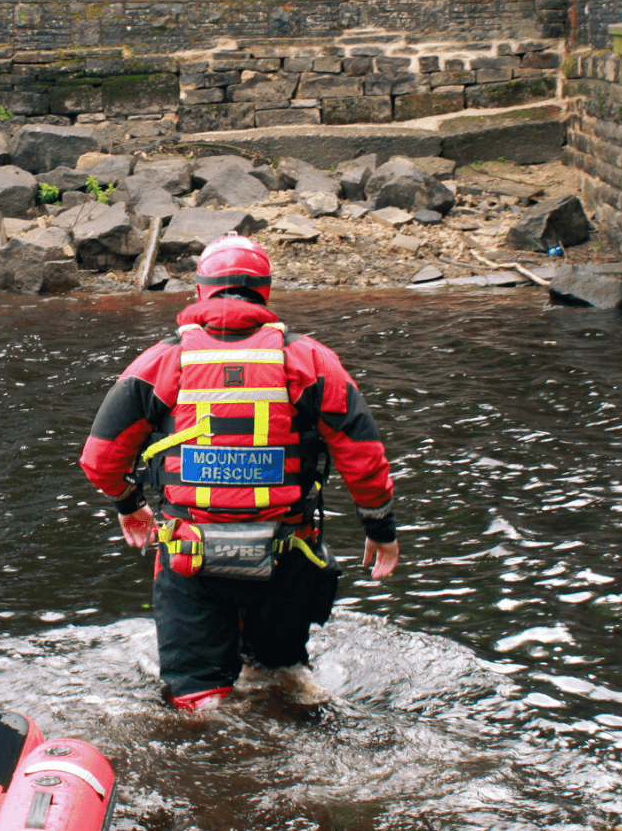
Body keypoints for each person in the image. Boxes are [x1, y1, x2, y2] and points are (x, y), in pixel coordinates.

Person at [80, 232, 399, 711]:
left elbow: (100, 458)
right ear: (264, 291)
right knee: (282, 684)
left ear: (201, 289)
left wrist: (129, 504)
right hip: (286, 557)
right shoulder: (309, 359)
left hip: (191, 559)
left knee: (197, 701)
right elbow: (363, 455)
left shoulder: (162, 361)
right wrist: (380, 527)